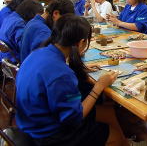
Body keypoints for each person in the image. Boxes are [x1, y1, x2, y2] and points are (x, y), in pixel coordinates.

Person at [16, 14, 128, 146]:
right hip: (49, 136)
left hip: (30, 123)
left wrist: (83, 68)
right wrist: (99, 86)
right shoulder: (61, 74)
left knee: (108, 112)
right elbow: (75, 118)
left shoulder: (39, 53)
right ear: (81, 43)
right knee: (114, 134)